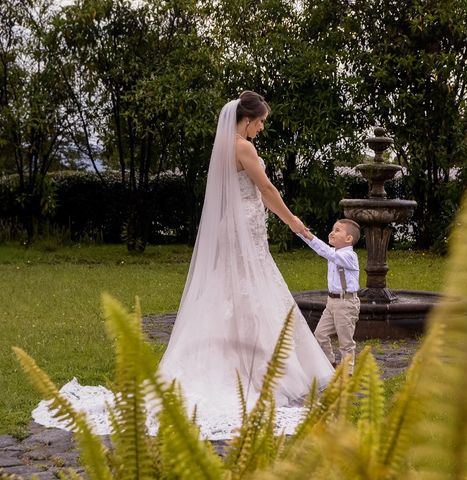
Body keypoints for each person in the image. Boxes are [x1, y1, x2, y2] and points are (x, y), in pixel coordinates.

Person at [32, 91, 334, 439]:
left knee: (237, 291)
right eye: (261, 121)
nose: (262, 128)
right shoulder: (243, 147)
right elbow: (265, 188)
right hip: (245, 230)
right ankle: (257, 371)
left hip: (236, 229)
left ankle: (247, 361)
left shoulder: (223, 147)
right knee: (250, 290)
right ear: (247, 119)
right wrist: (294, 221)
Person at [298, 219, 361, 374]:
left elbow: (324, 250)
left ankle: (347, 374)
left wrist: (308, 234)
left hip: (346, 303)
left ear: (348, 239)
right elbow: (323, 249)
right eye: (333, 229)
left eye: (337, 230)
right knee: (320, 334)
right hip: (331, 302)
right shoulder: (335, 253)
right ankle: (330, 364)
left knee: (345, 342)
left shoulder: (350, 256)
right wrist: (301, 233)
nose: (332, 232)